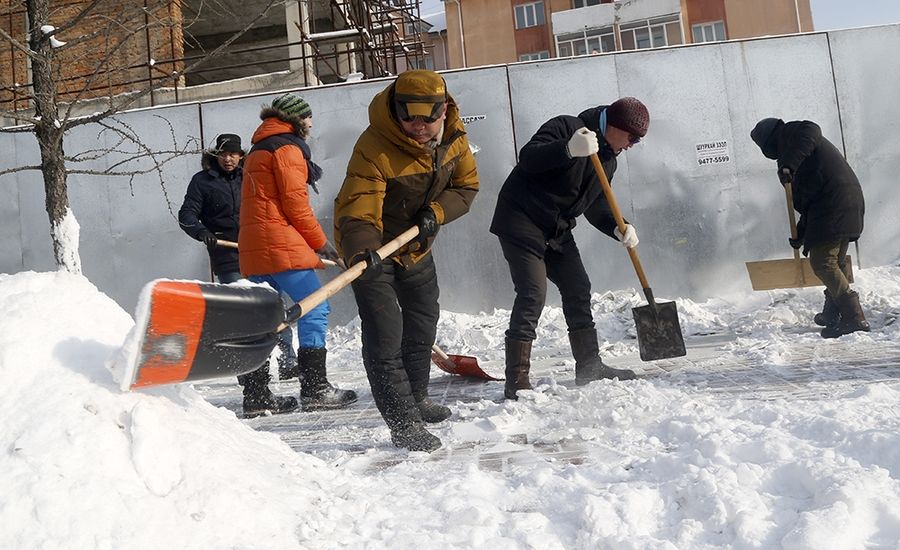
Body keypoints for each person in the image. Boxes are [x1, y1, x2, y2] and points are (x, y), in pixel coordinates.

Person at [334, 70, 479, 452]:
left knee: (422, 323)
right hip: (370, 251)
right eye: (408, 116)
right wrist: (364, 250)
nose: (417, 127)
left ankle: (417, 397)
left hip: (415, 247)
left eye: (426, 118)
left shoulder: (454, 139)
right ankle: (403, 422)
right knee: (386, 335)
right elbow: (358, 208)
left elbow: (466, 187)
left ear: (443, 110)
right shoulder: (375, 146)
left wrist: (437, 211)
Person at [490, 97, 646, 400]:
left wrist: (618, 226)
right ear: (615, 127)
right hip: (521, 220)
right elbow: (528, 158)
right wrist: (567, 149)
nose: (633, 145)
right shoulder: (567, 126)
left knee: (578, 287)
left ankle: (589, 366)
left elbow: (598, 204)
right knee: (533, 292)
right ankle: (517, 380)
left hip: (556, 229)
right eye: (632, 137)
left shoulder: (608, 158)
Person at [239, 93, 358, 416]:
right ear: (294, 120)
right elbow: (295, 206)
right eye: (307, 118)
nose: (310, 123)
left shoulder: (258, 150)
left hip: (255, 246)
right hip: (278, 244)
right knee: (315, 307)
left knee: (263, 318)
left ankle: (256, 396)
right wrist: (323, 245)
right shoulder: (287, 148)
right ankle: (316, 388)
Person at [177, 133, 299, 388]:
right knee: (246, 313)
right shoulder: (202, 182)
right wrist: (202, 233)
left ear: (241, 155)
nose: (228, 159)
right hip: (227, 254)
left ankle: (289, 361)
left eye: (233, 154)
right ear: (216, 156)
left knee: (273, 303)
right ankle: (252, 378)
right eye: (223, 154)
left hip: (258, 250)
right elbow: (187, 214)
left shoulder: (251, 177)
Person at [750, 118, 869, 338]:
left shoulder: (795, 133)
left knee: (823, 262)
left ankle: (854, 317)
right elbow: (808, 201)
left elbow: (812, 129)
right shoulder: (800, 154)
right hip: (843, 201)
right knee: (836, 261)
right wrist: (802, 232)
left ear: (769, 142)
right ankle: (833, 313)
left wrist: (788, 164)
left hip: (835, 203)